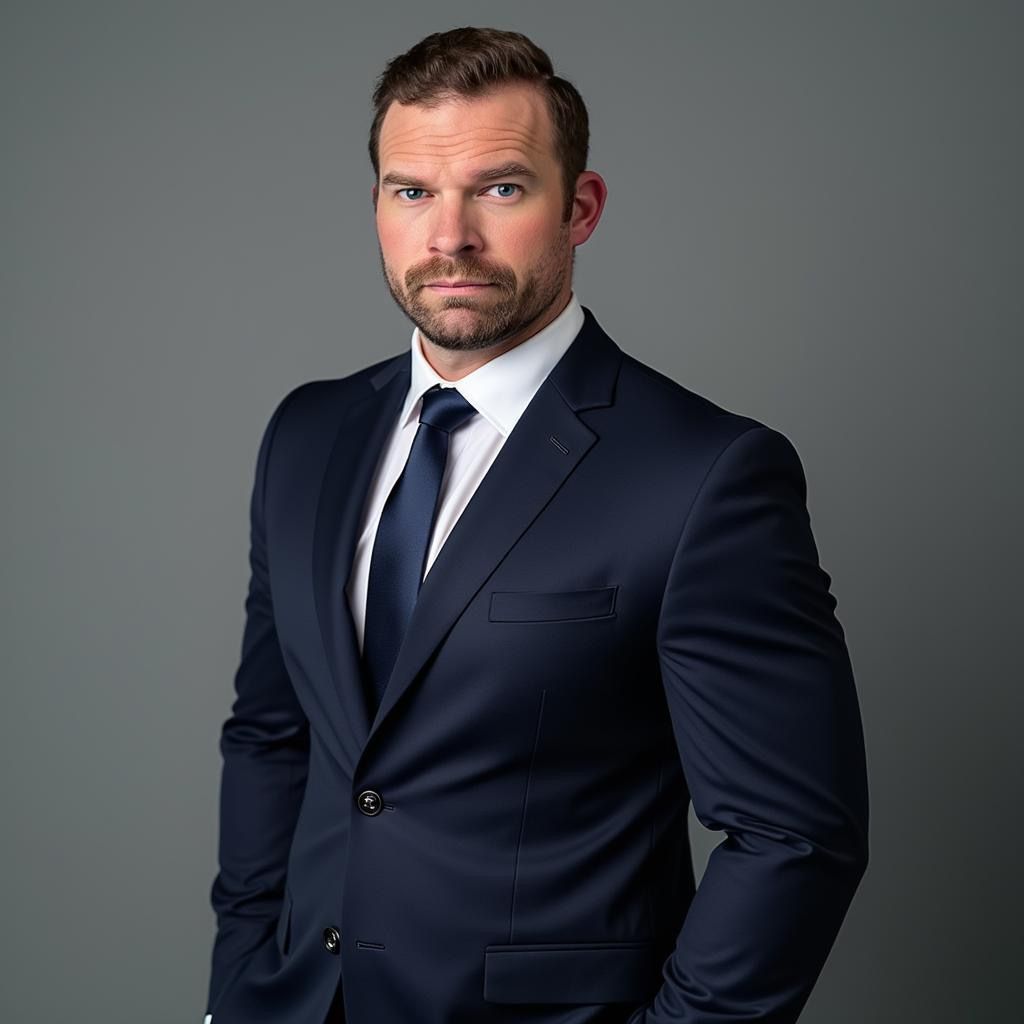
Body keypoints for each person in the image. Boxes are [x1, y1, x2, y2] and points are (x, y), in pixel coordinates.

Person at [204, 26, 869, 1024]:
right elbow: (272, 735)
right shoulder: (306, 435)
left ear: (579, 208)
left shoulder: (703, 475)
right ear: (377, 204)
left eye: (501, 188)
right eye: (412, 192)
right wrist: (239, 986)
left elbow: (796, 835)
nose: (450, 236)